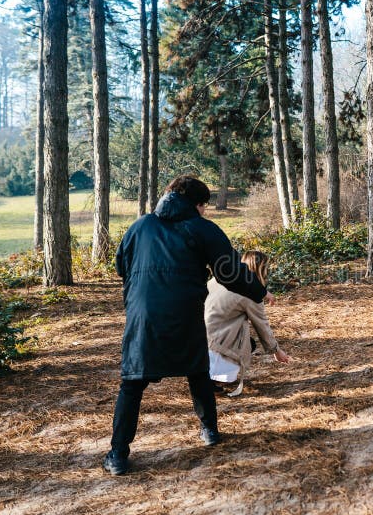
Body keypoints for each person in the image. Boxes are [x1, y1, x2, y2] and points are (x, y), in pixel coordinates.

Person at [103, 175, 273, 476]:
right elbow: (230, 274)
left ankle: (117, 455)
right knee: (197, 370)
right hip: (185, 309)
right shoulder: (203, 229)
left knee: (132, 383)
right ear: (197, 204)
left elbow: (121, 265)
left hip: (143, 313)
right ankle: (209, 432)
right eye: (204, 206)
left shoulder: (140, 226)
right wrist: (260, 291)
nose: (205, 211)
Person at [205, 251, 291, 397]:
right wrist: (276, 351)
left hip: (198, 333)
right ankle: (212, 378)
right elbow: (262, 325)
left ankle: (209, 374)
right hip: (215, 340)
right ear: (260, 270)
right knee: (246, 345)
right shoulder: (251, 294)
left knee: (249, 343)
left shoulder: (220, 278)